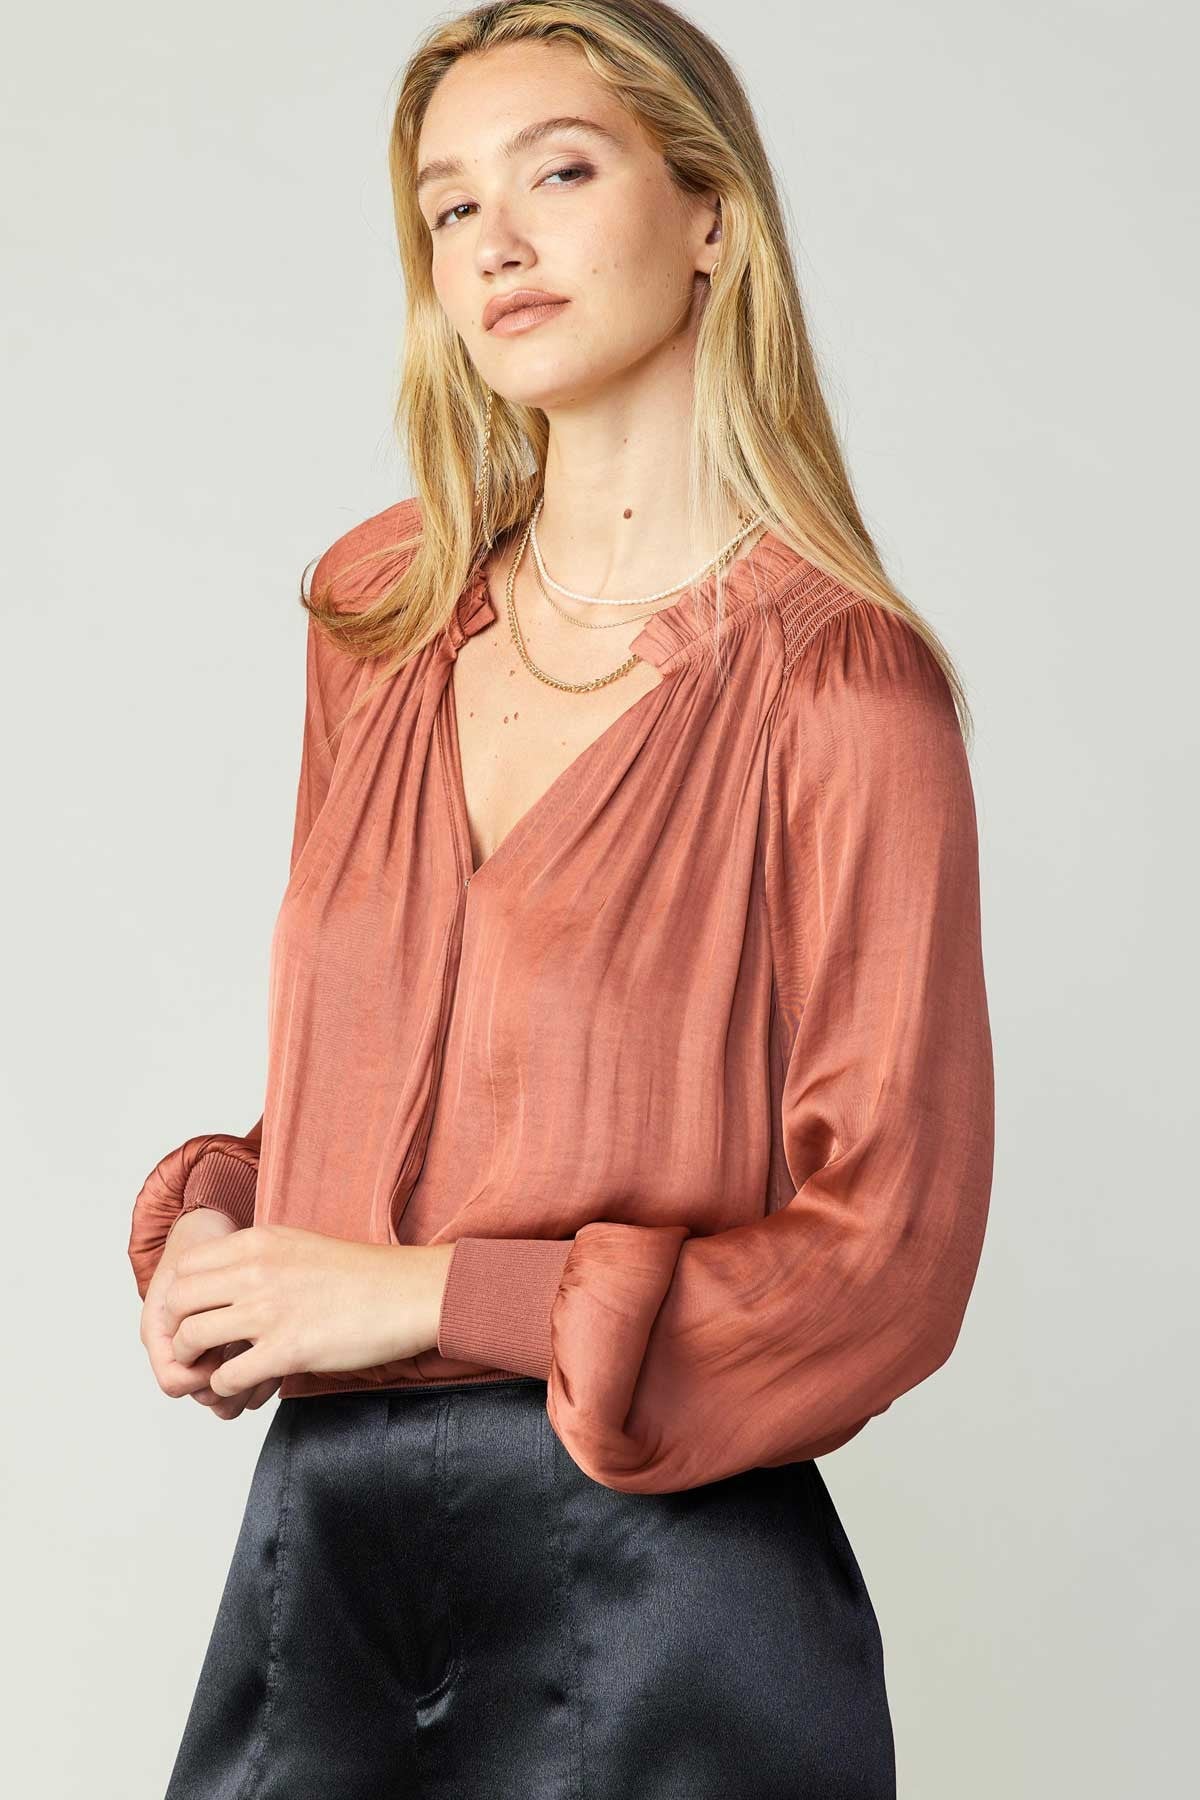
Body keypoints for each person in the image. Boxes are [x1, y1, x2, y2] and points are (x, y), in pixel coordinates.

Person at [129, 4, 994, 1795]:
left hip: (655, 1575)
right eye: (451, 207)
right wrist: (231, 1230)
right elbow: (397, 1107)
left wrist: (426, 1296)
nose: (496, 243)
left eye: (561, 173)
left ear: (711, 216)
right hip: (320, 1564)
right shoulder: (378, 621)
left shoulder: (842, 691)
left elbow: (884, 1260)